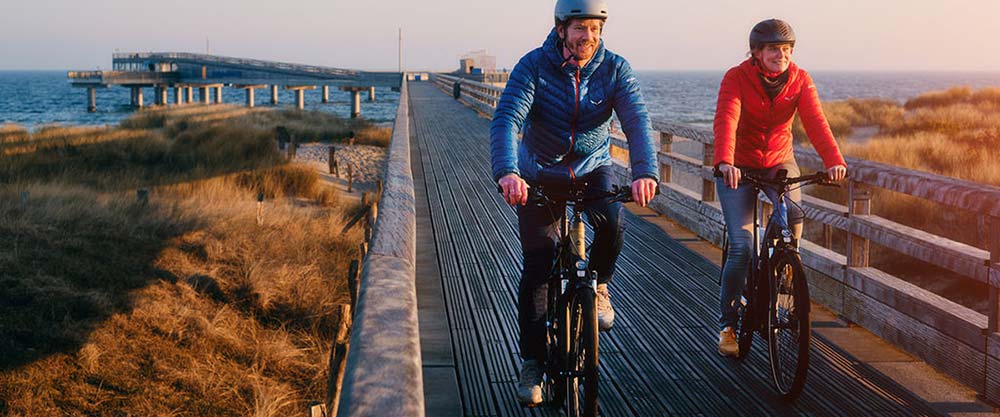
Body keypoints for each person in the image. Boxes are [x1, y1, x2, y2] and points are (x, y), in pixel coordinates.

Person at [489, 0, 659, 406]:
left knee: (614, 222)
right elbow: (507, 118)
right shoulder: (533, 66)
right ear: (561, 29)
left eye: (595, 29)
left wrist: (645, 172)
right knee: (539, 263)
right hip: (538, 175)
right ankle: (532, 362)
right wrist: (508, 172)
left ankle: (599, 287)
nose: (589, 37)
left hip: (591, 168)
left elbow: (636, 120)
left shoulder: (615, 68)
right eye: (580, 28)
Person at [713, 18, 848, 357]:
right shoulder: (736, 77)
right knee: (742, 246)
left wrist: (834, 159)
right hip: (738, 166)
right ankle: (727, 323)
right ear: (756, 52)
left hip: (778, 161)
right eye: (774, 49)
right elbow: (727, 118)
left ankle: (783, 270)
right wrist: (725, 161)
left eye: (787, 49)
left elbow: (816, 122)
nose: (782, 55)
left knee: (794, 221)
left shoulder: (800, 79)